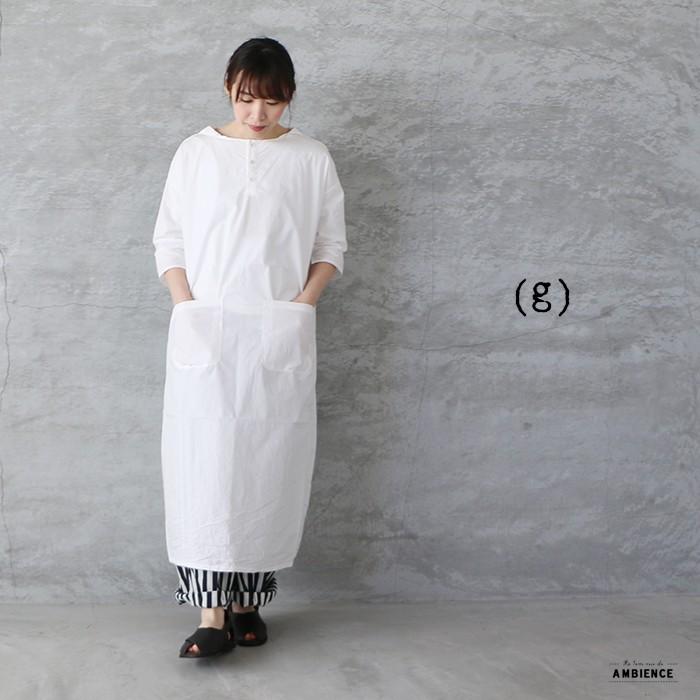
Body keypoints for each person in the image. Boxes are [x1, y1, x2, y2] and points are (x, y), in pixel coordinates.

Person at [152, 36, 347, 658]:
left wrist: (300, 307)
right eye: (245, 98)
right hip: (205, 330)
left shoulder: (310, 157)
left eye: (271, 101)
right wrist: (188, 307)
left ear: (290, 97)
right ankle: (211, 615)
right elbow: (169, 239)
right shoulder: (196, 153)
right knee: (205, 467)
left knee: (266, 465)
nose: (257, 113)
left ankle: (248, 603)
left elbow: (330, 246)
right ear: (227, 88)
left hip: (276, 331)